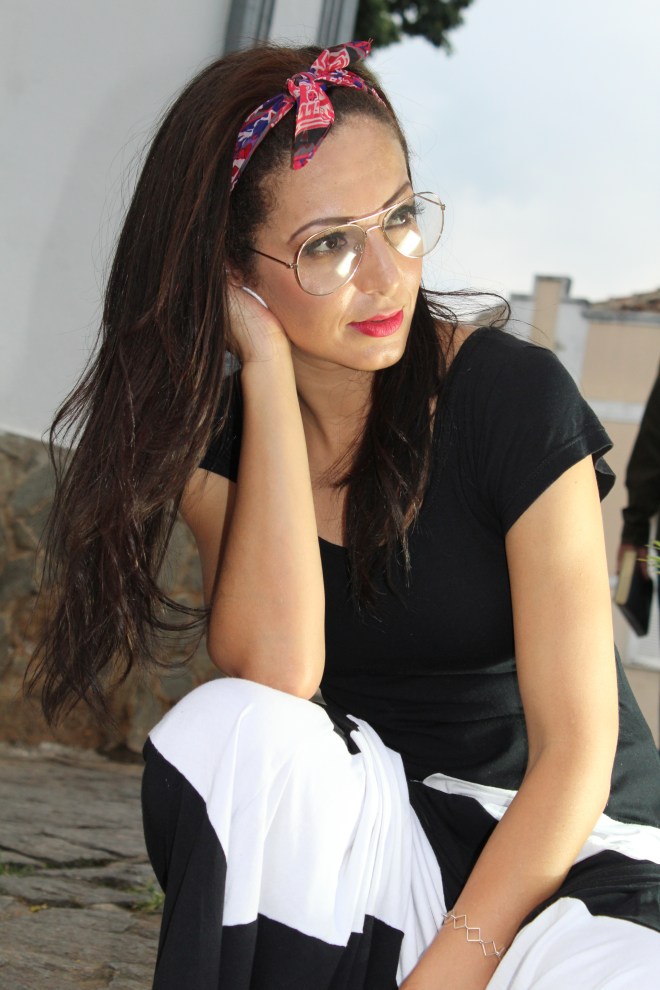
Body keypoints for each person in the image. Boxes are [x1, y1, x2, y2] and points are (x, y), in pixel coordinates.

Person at [28, 40, 660, 990]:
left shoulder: (513, 399)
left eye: (399, 219)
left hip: (578, 860)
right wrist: (265, 369)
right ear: (231, 271)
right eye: (328, 244)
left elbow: (577, 754)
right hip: (391, 843)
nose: (387, 277)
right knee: (232, 728)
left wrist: (446, 975)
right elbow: (279, 674)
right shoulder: (220, 444)